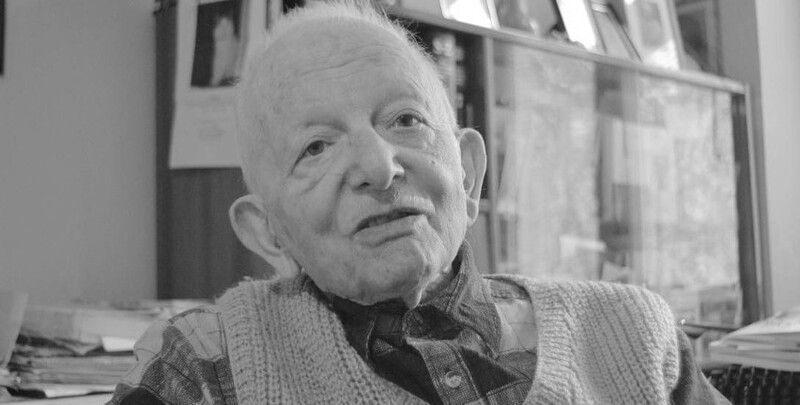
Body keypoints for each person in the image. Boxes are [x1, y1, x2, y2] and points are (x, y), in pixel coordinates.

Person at [109, 1, 729, 403]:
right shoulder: (204, 366)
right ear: (268, 232)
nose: (380, 167)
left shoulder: (637, 337)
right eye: (316, 147)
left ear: (470, 174)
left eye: (406, 120)